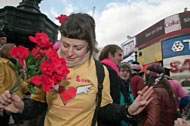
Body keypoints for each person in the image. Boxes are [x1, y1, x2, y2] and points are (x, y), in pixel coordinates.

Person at [0, 13, 153, 126]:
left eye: (78, 47)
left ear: (90, 46)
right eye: (65, 45)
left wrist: (128, 110)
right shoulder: (47, 65)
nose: (70, 53)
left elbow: (105, 109)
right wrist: (22, 107)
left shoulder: (102, 72)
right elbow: (39, 104)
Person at [0, 43, 25, 126]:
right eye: (14, 50)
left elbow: (20, 83)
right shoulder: (2, 63)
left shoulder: (15, 64)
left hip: (16, 100)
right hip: (6, 101)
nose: (17, 52)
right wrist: (5, 99)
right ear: (7, 51)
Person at [98, 44, 123, 126]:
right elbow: (114, 97)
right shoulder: (110, 71)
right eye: (119, 55)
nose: (121, 58)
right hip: (109, 117)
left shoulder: (98, 68)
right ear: (110, 55)